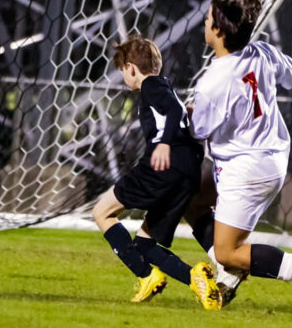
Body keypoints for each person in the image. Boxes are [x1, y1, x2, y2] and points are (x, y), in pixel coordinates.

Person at [188, 0, 292, 317]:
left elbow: (197, 131)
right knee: (190, 197)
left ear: (219, 31)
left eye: (209, 17)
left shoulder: (214, 82)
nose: (205, 20)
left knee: (227, 252)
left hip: (247, 168)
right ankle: (228, 275)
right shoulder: (261, 52)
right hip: (269, 159)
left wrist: (186, 112)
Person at [91, 35, 221, 310]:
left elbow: (172, 111)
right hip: (187, 171)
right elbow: (176, 111)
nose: (124, 76)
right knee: (144, 244)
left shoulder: (150, 86)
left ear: (131, 68)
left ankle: (146, 276)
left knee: (102, 212)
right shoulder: (166, 86)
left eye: (123, 71)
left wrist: (162, 143)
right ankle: (196, 279)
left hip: (162, 166)